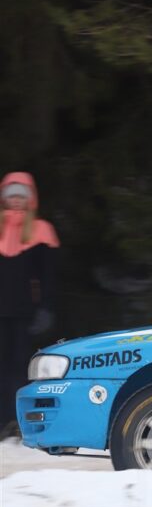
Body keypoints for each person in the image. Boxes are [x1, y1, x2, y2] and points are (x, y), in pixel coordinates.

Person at [1, 172, 59, 436]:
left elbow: (48, 274)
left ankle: (19, 421)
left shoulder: (40, 230)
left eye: (21, 196)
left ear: (30, 200)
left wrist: (46, 307)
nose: (16, 200)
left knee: (20, 367)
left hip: (24, 312)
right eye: (11, 195)